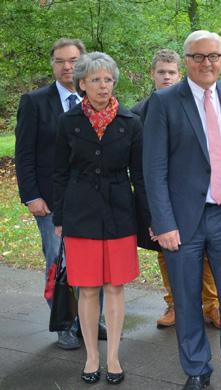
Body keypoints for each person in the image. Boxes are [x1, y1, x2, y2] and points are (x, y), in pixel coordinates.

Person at [143, 30, 221, 390]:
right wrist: (163, 222)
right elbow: (153, 168)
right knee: (188, 299)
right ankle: (196, 370)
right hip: (183, 221)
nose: (207, 63)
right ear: (186, 60)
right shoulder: (164, 103)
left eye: (214, 56)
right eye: (198, 57)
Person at [53, 52, 147, 385]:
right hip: (80, 214)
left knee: (115, 287)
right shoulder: (67, 123)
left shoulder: (130, 121)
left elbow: (140, 174)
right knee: (89, 289)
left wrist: (146, 217)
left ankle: (113, 357)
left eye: (108, 79)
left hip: (120, 213)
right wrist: (60, 216)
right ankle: (92, 356)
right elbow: (59, 173)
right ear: (82, 84)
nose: (103, 85)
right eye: (95, 80)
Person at [14, 38, 105, 350]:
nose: (67, 66)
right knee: (59, 261)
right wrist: (31, 195)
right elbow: (24, 153)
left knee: (94, 261)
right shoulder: (34, 102)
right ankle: (64, 324)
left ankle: (91, 319)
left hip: (92, 201)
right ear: (52, 64)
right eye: (60, 61)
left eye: (73, 60)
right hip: (51, 201)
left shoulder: (96, 98)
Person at [131, 49, 221, 330]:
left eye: (171, 72)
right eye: (161, 72)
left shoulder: (194, 103)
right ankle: (175, 304)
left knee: (206, 252)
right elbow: (139, 164)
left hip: (193, 195)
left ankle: (212, 304)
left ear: (179, 73)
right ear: (152, 75)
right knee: (165, 252)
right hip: (158, 197)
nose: (167, 77)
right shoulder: (138, 113)